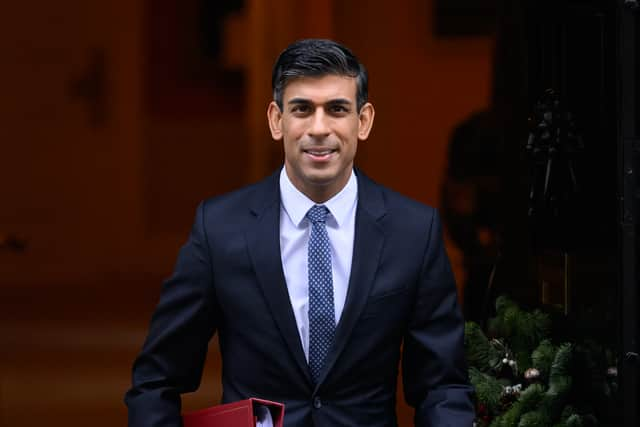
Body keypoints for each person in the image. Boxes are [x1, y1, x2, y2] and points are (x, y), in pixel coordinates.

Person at [125, 38, 474, 427]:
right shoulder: (220, 228)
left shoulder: (413, 231)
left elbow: (443, 386)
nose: (319, 128)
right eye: (302, 109)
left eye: (337, 109)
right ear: (277, 121)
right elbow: (156, 381)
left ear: (364, 121)